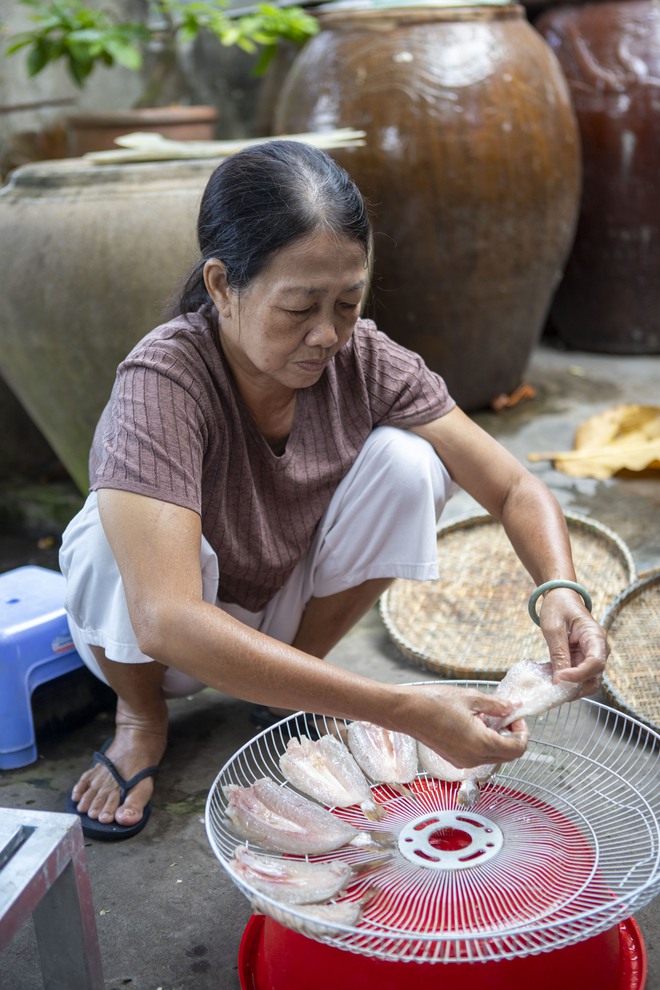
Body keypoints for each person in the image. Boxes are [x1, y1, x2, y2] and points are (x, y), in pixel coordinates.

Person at [59, 139, 608, 840]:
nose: (327, 334)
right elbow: (166, 618)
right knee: (113, 535)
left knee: (411, 463)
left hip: (276, 605)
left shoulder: (363, 358)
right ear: (223, 285)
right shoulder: (164, 381)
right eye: (299, 307)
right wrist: (401, 707)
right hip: (158, 649)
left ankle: (293, 680)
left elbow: (512, 486)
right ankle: (140, 719)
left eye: (348, 301)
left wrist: (560, 592)